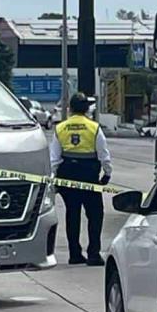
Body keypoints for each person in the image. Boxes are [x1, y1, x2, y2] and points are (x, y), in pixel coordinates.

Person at [50, 93, 112, 267]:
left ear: (70, 109)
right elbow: (103, 155)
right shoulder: (94, 128)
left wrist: (53, 180)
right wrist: (107, 174)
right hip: (89, 176)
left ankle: (74, 254)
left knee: (72, 214)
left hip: (67, 175)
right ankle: (93, 254)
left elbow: (54, 158)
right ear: (86, 109)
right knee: (95, 215)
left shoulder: (60, 128)